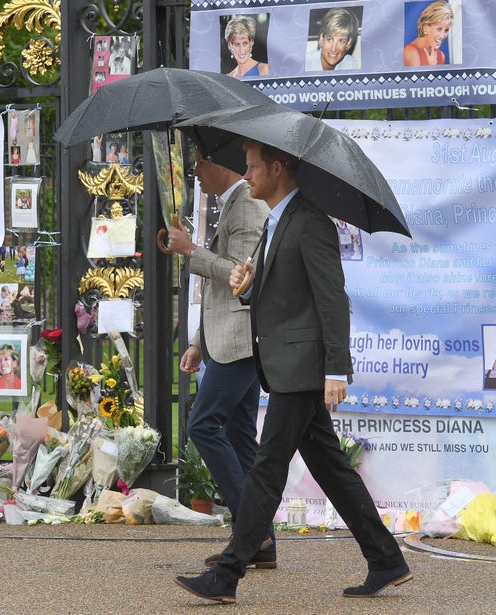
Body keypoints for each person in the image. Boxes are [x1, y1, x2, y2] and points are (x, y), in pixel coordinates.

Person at [175, 140, 411, 603]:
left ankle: (227, 575)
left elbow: (332, 299)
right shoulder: (275, 221)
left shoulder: (310, 223)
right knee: (331, 468)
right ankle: (386, 558)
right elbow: (281, 295)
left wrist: (337, 370)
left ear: (278, 168)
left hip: (302, 371)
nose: (247, 174)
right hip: (285, 367)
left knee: (266, 470)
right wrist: (247, 287)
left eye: (253, 166)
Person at [166, 150, 274, 565]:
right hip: (228, 339)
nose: (194, 171)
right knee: (241, 437)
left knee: (203, 425)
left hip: (242, 340)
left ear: (220, 164)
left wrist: (189, 249)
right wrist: (198, 341)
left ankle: (252, 533)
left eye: (200, 162)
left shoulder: (246, 202)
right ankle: (261, 544)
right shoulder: (231, 201)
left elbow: (239, 274)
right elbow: (219, 289)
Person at [403, 1, 453, 67]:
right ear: (425, 27)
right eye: (439, 29)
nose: (442, 36)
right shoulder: (410, 52)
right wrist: (431, 66)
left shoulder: (441, 56)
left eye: (446, 30)